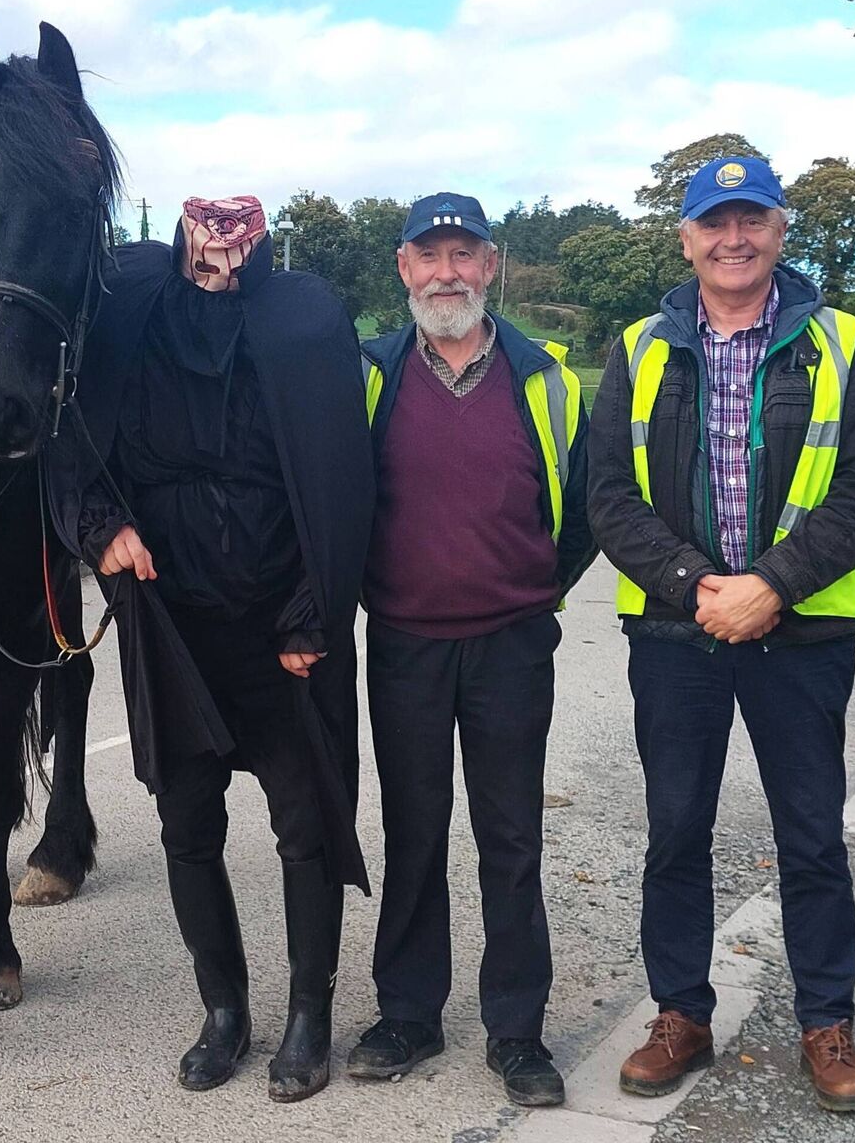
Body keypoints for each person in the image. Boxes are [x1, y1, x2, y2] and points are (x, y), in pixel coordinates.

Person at [588, 157, 855, 1113]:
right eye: (714, 222)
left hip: (801, 635)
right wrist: (694, 586)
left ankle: (826, 1023)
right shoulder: (639, 347)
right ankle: (681, 1013)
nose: (734, 239)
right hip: (675, 634)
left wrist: (772, 586)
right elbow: (610, 495)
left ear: (779, 229)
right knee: (677, 829)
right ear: (685, 239)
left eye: (751, 219)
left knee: (811, 835)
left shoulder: (842, 341)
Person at [54, 196, 374, 1102]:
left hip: (279, 631)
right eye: (204, 251)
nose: (218, 266)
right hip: (171, 625)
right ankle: (224, 1010)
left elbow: (342, 477)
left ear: (260, 250)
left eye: (235, 252)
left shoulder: (304, 322)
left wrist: (315, 613)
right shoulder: (130, 311)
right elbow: (73, 442)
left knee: (305, 824)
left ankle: (309, 1014)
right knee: (187, 827)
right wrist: (100, 529)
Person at [347, 192, 596, 1106]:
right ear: (404, 269)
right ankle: (409, 1013)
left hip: (512, 644)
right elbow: (341, 500)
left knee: (512, 837)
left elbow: (583, 511)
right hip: (405, 642)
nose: (446, 272)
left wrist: (532, 591)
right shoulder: (369, 376)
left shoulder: (547, 379)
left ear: (491, 266)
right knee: (413, 831)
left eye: (464, 254)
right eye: (430, 255)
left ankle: (517, 1030)